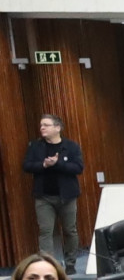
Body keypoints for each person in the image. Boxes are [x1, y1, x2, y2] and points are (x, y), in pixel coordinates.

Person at [23, 114, 83, 269]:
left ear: (58, 128)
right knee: (45, 231)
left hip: (67, 196)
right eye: (41, 125)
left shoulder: (71, 146)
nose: (42, 127)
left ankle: (70, 263)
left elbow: (78, 168)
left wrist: (57, 164)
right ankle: (48, 266)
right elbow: (27, 166)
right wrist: (43, 164)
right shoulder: (35, 146)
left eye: (46, 125)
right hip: (44, 197)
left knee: (70, 230)